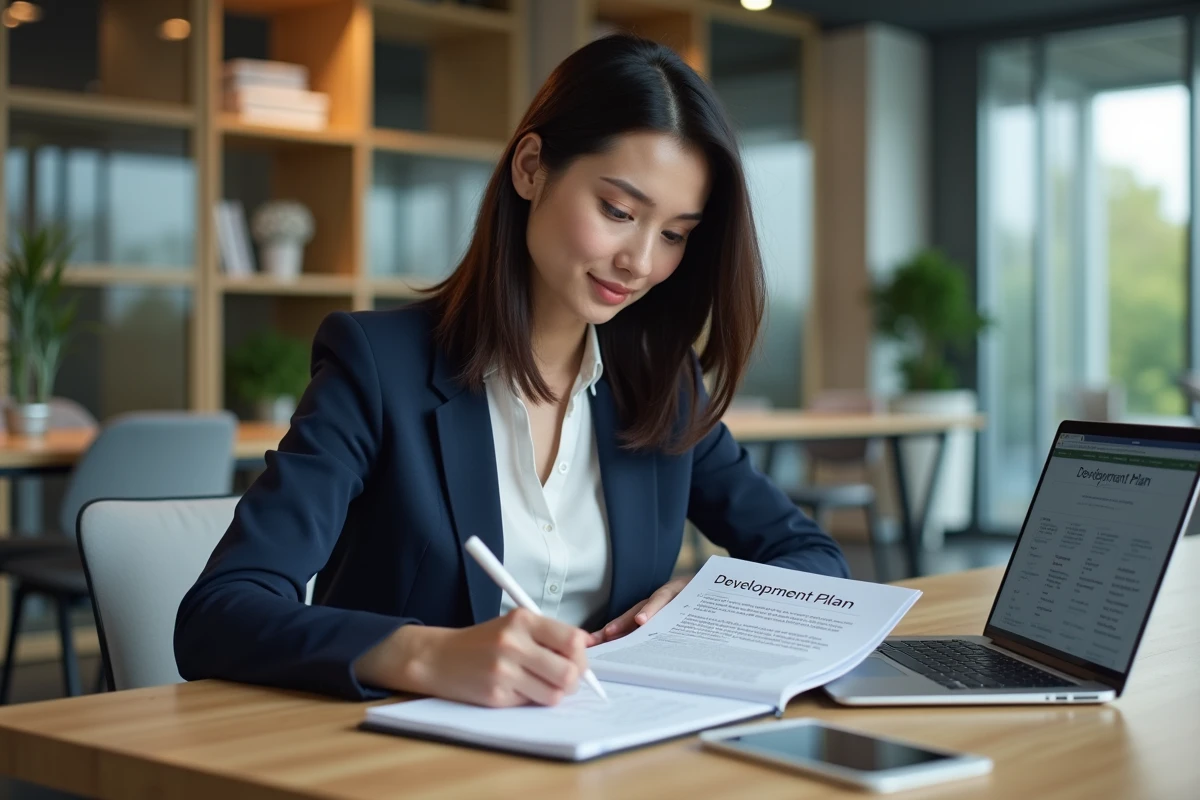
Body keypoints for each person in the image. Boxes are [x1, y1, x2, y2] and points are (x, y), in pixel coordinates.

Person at [175, 34, 848, 708]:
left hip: (605, 749)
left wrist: (705, 607)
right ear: (531, 168)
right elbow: (220, 613)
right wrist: (426, 654)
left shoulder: (660, 384)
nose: (641, 262)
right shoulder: (379, 366)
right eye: (618, 212)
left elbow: (813, 561)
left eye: (674, 233)